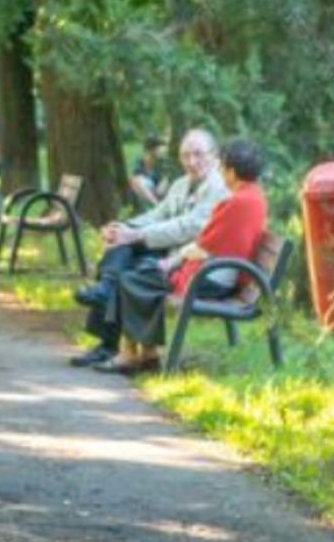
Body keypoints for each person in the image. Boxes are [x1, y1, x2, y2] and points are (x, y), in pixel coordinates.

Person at [99, 138, 267, 375]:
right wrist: (172, 261)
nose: (220, 172)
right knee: (144, 275)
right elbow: (209, 241)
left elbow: (204, 244)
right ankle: (146, 354)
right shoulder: (254, 195)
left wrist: (172, 262)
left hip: (209, 278)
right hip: (219, 273)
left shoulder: (235, 201)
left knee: (133, 278)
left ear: (231, 171)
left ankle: (134, 354)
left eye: (222, 167)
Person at [68, 129, 228, 368]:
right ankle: (106, 296)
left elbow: (189, 227)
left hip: (189, 259)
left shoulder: (219, 188)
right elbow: (157, 214)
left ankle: (113, 341)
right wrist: (124, 227)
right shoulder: (181, 183)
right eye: (185, 156)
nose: (191, 162)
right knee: (120, 247)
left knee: (129, 263)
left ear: (214, 156)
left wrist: (137, 235)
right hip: (170, 251)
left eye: (198, 154)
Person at [127, 136, 170, 210]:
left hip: (157, 191)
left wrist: (165, 180)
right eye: (158, 147)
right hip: (146, 194)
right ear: (151, 149)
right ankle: (157, 207)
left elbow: (161, 187)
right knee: (135, 181)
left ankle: (158, 207)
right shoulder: (140, 163)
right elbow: (136, 182)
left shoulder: (161, 163)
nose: (161, 150)